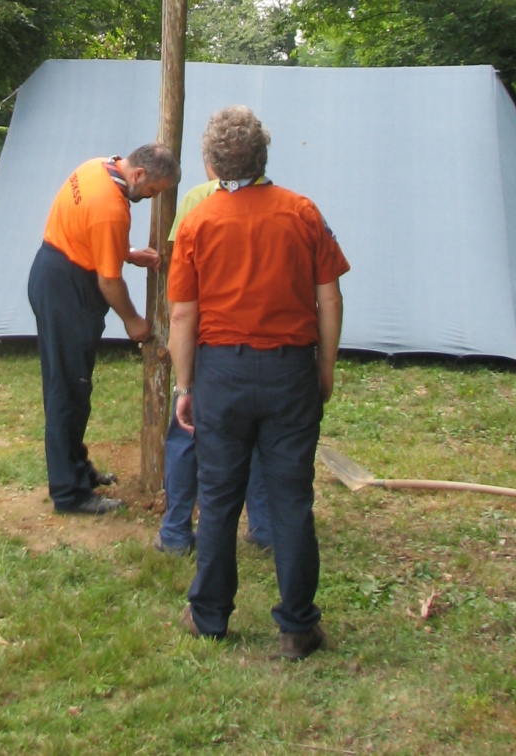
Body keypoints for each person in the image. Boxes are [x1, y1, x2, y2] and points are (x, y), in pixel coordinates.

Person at [168, 105, 348, 658]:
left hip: (222, 372)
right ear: (263, 154)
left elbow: (182, 315)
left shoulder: (197, 222)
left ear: (211, 162)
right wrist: (324, 367)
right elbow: (329, 297)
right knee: (292, 498)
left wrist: (185, 386)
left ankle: (210, 616)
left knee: (219, 497)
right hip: (290, 369)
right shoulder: (303, 212)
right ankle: (297, 627)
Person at [28, 143, 180, 515]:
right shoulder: (112, 209)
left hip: (53, 269)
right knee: (68, 390)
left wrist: (126, 251)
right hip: (67, 289)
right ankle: (70, 494)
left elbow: (88, 230)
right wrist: (134, 322)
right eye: (153, 190)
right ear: (139, 175)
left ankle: (77, 469)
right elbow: (109, 284)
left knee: (72, 386)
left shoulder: (97, 167)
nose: (151, 197)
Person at [157, 167, 273, 555]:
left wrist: (182, 368)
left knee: (187, 432)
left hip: (208, 340)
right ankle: (265, 526)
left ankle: (176, 530)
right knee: (255, 436)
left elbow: (179, 280)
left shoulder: (196, 199)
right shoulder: (279, 205)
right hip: (257, 343)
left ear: (212, 163)